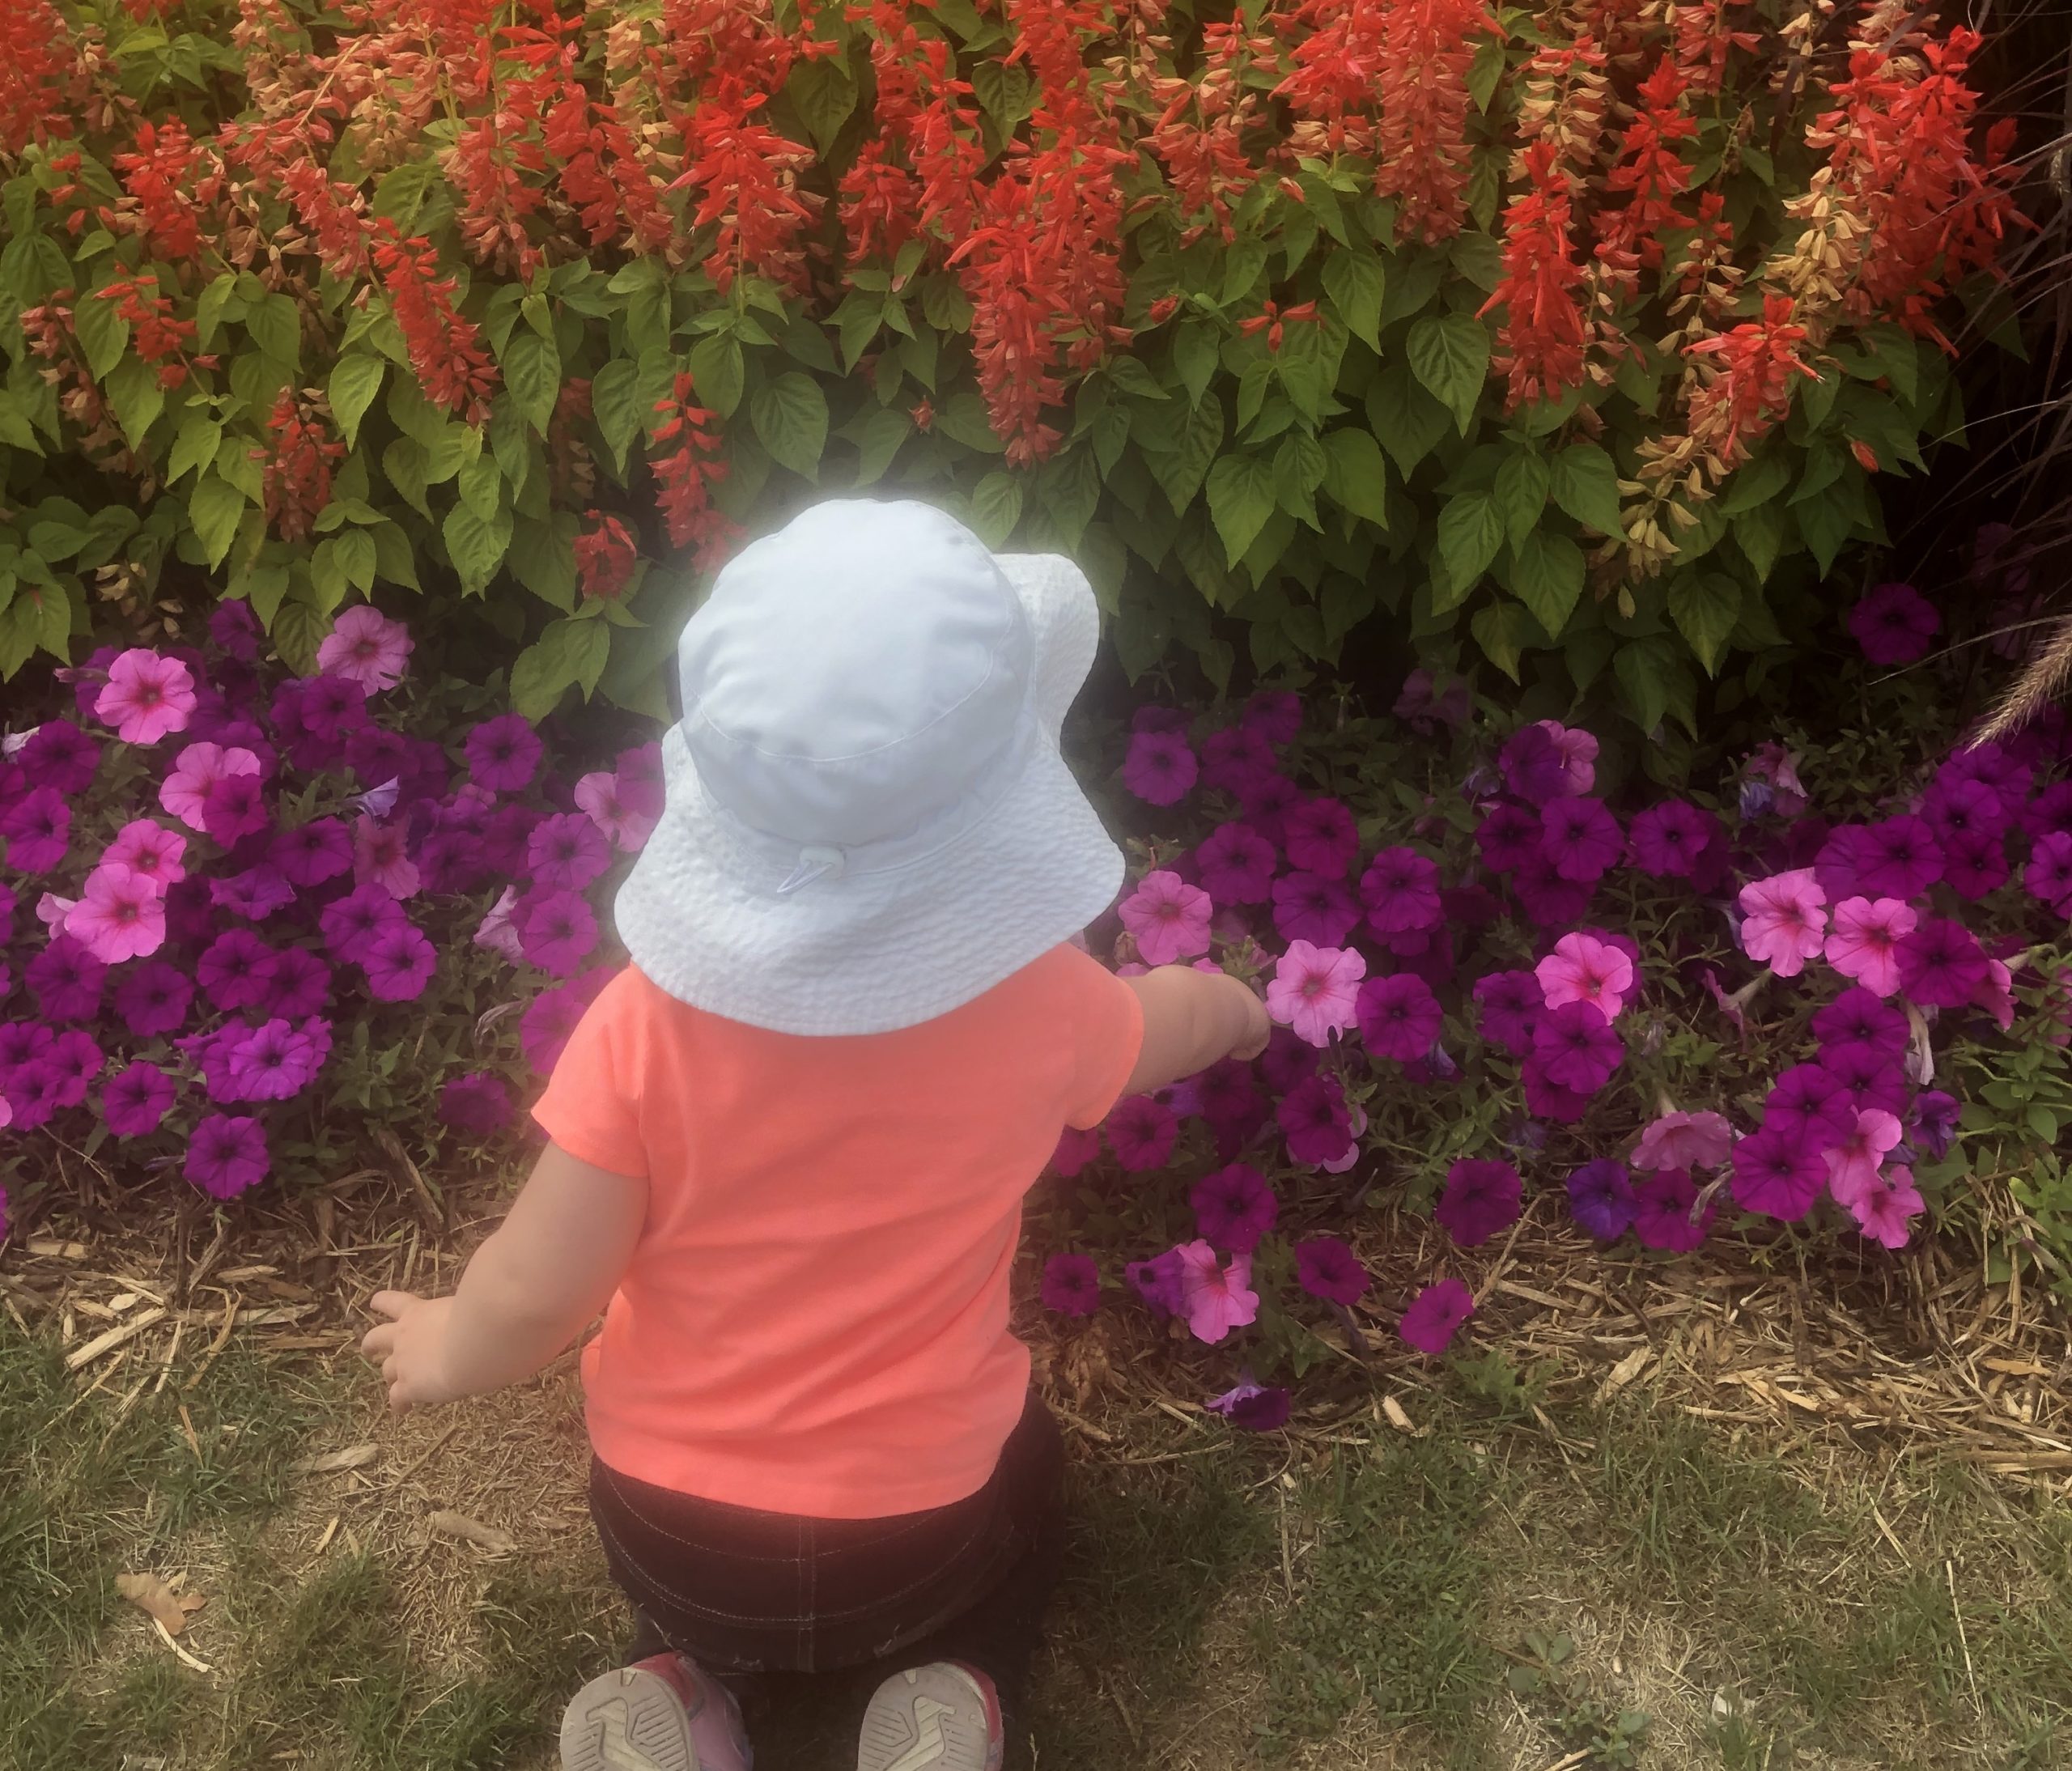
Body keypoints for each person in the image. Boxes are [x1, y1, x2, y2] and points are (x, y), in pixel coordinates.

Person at [360, 499, 1270, 1771]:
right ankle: (956, 1682)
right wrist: (1235, 1009)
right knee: (1029, 1479)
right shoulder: (1039, 1004)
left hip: (674, 1527)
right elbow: (1158, 1023)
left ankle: (676, 1689)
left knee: (693, 1582)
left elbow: (536, 1284)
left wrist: (456, 1345)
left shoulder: (642, 1028)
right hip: (926, 1524)